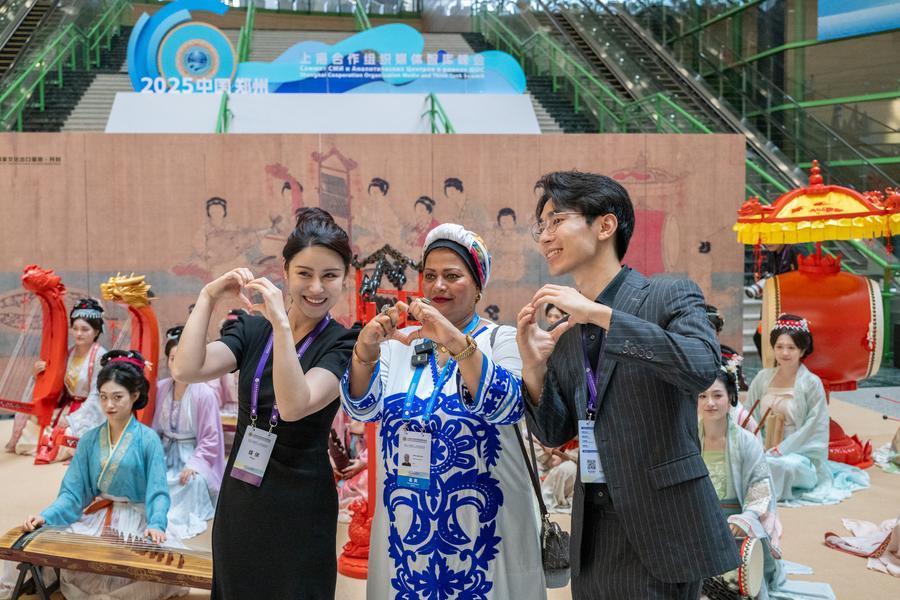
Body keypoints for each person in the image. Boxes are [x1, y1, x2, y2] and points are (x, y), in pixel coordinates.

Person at [517, 170, 737, 598]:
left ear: (605, 225)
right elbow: (555, 432)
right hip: (594, 532)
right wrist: (534, 369)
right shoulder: (567, 330)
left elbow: (699, 366)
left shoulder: (668, 294)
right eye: (540, 226)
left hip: (664, 526)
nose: (545, 236)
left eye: (557, 220)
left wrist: (602, 316)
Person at [341, 223, 545, 599]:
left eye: (452, 276)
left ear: (478, 286)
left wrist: (451, 337)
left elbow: (507, 405)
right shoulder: (401, 345)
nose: (438, 286)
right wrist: (364, 352)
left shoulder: (502, 341)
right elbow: (363, 408)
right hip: (407, 533)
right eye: (430, 275)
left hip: (484, 533)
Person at [171, 207, 357, 599]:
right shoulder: (252, 329)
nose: (316, 287)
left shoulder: (342, 343)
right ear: (285, 272)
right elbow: (188, 368)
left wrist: (283, 325)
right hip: (241, 498)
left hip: (302, 506)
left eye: (330, 276)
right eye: (304, 274)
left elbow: (294, 405)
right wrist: (208, 296)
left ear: (345, 279)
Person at [9, 350, 184, 600]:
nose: (109, 405)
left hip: (136, 518)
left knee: (148, 569)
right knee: (48, 548)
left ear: (135, 396)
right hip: (98, 515)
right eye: (103, 397)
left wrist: (156, 523)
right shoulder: (90, 439)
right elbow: (73, 493)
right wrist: (46, 516)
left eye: (117, 397)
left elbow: (158, 492)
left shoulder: (148, 440)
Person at [700, 361, 838, 599]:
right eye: (702, 396)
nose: (710, 402)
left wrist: (747, 517)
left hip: (736, 523)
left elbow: (760, 485)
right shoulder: (689, 438)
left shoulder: (746, 441)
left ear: (731, 397)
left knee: (734, 584)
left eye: (717, 395)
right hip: (699, 521)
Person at [745, 315, 868, 503]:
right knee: (747, 461)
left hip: (798, 454)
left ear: (802, 350)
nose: (785, 353)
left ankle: (764, 493)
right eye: (779, 346)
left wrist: (782, 449)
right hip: (764, 448)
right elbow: (749, 416)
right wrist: (757, 445)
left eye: (791, 347)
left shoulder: (811, 383)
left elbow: (814, 427)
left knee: (783, 466)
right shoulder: (762, 378)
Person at [7, 298, 108, 459]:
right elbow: (56, 383)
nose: (79, 333)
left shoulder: (100, 357)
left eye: (85, 329)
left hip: (89, 410)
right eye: (75, 328)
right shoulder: (68, 352)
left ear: (96, 332)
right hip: (66, 406)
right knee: (30, 433)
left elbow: (97, 395)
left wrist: (73, 419)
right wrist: (38, 375)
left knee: (67, 437)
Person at [152, 326, 225, 539]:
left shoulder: (204, 394)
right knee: (151, 476)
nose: (177, 364)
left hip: (192, 452)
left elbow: (211, 438)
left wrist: (194, 465)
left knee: (191, 482)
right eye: (172, 358)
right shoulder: (160, 388)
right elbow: (154, 429)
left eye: (183, 358)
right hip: (163, 451)